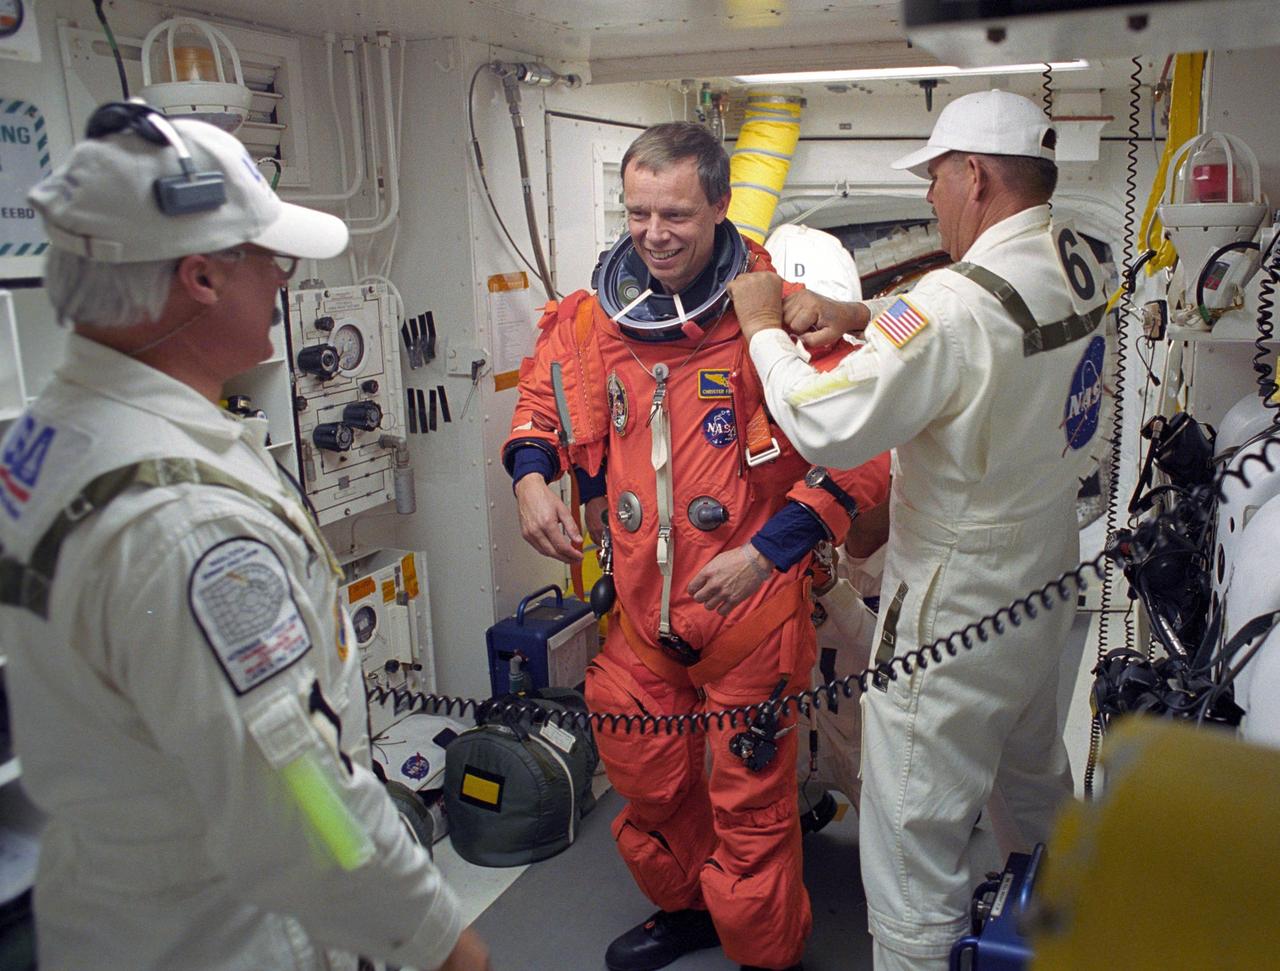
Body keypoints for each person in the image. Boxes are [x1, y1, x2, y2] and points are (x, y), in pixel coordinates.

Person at [0, 103, 489, 971]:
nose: (283, 281)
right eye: (273, 259)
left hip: (115, 912)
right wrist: (440, 940)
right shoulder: (188, 523)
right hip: (233, 934)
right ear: (200, 279)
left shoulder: (49, 438)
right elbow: (299, 791)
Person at [728, 89, 1109, 970]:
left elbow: (828, 419)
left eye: (935, 179)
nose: (932, 198)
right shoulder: (1077, 257)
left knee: (910, 845)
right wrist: (864, 318)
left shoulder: (950, 303)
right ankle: (1059, 937)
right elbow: (996, 339)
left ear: (973, 175)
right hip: (1042, 567)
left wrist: (760, 332)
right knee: (1031, 780)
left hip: (957, 597)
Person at [502, 122, 889, 971]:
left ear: (721, 204)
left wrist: (767, 554)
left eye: (675, 213)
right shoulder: (592, 317)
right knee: (647, 777)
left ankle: (765, 951)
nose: (653, 233)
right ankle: (686, 910)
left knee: (749, 804)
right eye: (638, 213)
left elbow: (864, 448)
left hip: (747, 610)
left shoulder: (781, 317)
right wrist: (533, 477)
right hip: (643, 612)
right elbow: (541, 402)